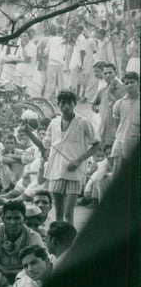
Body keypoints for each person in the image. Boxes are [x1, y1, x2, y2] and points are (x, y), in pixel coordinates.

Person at [24, 90, 99, 225]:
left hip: (74, 173)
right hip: (56, 171)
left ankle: (69, 240)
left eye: (69, 103)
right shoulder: (54, 123)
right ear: (58, 104)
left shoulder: (83, 123)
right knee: (58, 212)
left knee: (68, 213)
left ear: (74, 104)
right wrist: (28, 132)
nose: (66, 106)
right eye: (63, 103)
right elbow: (43, 146)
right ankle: (59, 240)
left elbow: (97, 144)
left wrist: (78, 160)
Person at [109, 71, 140, 166]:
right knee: (117, 172)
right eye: (126, 83)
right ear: (124, 86)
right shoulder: (119, 103)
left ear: (138, 83)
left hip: (135, 144)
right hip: (120, 141)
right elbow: (117, 125)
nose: (129, 85)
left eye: (132, 82)